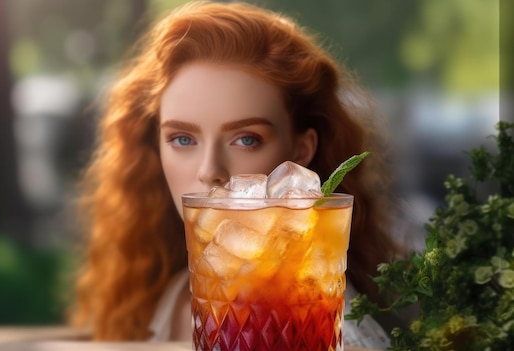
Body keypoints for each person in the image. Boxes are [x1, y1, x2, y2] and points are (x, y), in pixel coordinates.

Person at [70, 1, 403, 348]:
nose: (209, 171)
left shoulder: (318, 313)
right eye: (182, 139)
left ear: (301, 151)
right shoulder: (164, 300)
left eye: (246, 139)